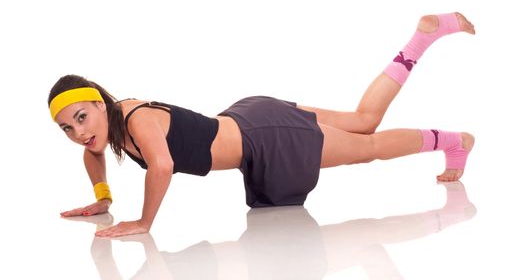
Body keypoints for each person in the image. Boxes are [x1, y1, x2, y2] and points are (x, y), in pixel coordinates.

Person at [49, 12, 476, 238]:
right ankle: (424, 37)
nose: (80, 133)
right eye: (67, 128)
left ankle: (456, 140)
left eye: (82, 117)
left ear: (99, 103)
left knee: (370, 146)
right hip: (253, 117)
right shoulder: (110, 128)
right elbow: (93, 156)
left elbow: (161, 167)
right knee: (363, 120)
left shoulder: (137, 118)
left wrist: (143, 223)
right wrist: (102, 198)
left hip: (266, 139)